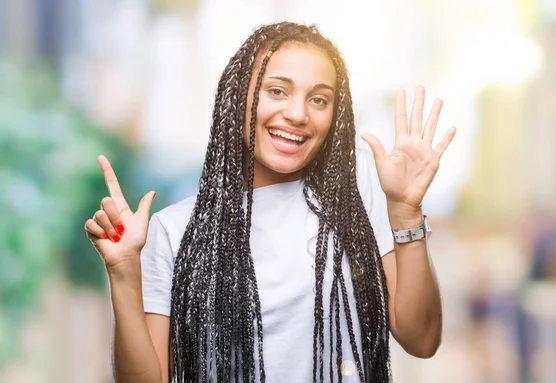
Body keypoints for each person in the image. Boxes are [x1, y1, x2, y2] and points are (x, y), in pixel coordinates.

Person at [85, 22, 456, 383]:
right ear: (238, 97)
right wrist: (123, 272)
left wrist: (406, 212)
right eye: (277, 91)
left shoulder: (359, 186)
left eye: (319, 99)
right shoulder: (173, 231)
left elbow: (421, 340)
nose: (298, 114)